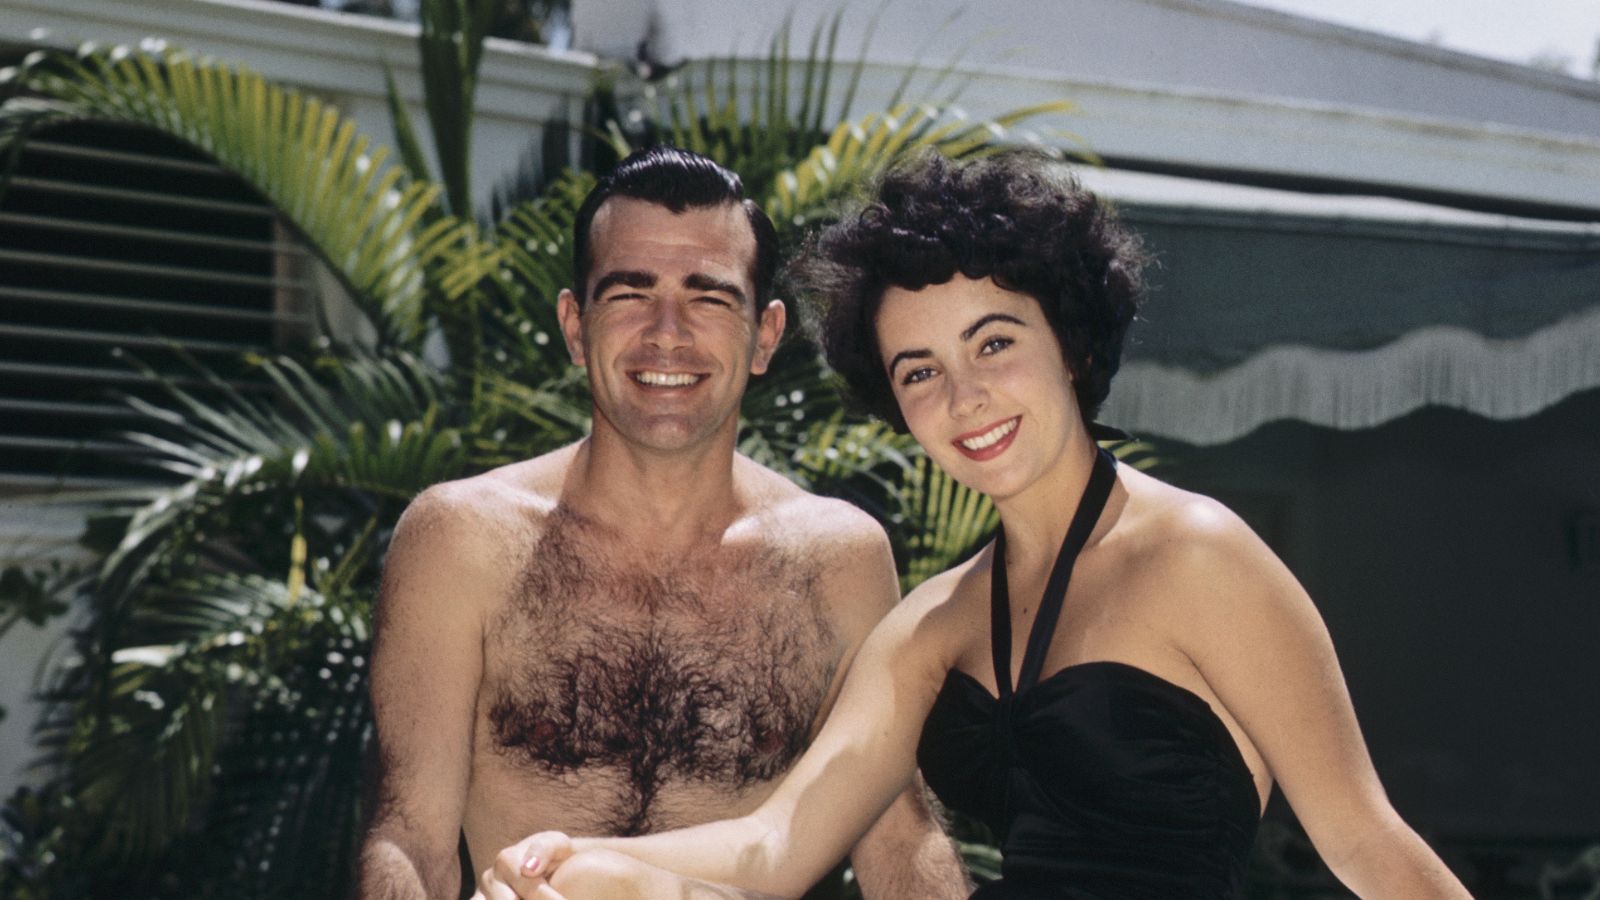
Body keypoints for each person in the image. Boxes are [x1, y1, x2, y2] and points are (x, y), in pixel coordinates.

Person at [477, 150, 1474, 899]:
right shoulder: (933, 624)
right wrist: (571, 859)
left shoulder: (1194, 557)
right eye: (920, 372)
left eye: (993, 344)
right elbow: (775, 846)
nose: (965, 398)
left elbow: (1364, 842)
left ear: (1070, 344)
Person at [356, 146, 968, 900]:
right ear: (575, 326)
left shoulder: (834, 560)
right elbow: (411, 836)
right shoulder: (464, 541)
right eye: (629, 293)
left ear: (765, 335)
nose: (667, 333)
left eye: (710, 298)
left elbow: (899, 835)